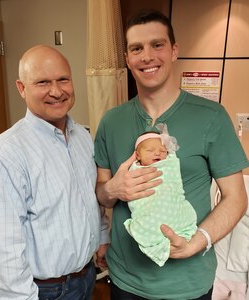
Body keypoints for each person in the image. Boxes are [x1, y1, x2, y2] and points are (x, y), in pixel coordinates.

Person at [94, 9, 249, 300]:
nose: (147, 56)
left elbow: (236, 197)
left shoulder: (211, 118)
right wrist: (112, 189)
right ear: (127, 59)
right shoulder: (111, 122)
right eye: (136, 48)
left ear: (174, 50)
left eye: (157, 45)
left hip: (188, 283)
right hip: (126, 279)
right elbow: (102, 193)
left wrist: (197, 241)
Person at [0, 45, 108, 300]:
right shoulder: (3, 156)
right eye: (42, 82)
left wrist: (101, 236)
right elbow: (4, 251)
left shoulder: (82, 136)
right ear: (21, 88)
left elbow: (89, 198)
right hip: (44, 291)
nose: (56, 91)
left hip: (86, 277)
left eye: (63, 79)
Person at [124, 126, 197, 267]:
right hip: (150, 209)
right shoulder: (135, 169)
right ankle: (156, 245)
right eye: (150, 150)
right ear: (137, 156)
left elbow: (174, 179)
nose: (157, 152)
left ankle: (182, 231)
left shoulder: (169, 163)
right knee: (146, 224)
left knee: (187, 215)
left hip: (174, 205)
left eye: (163, 150)